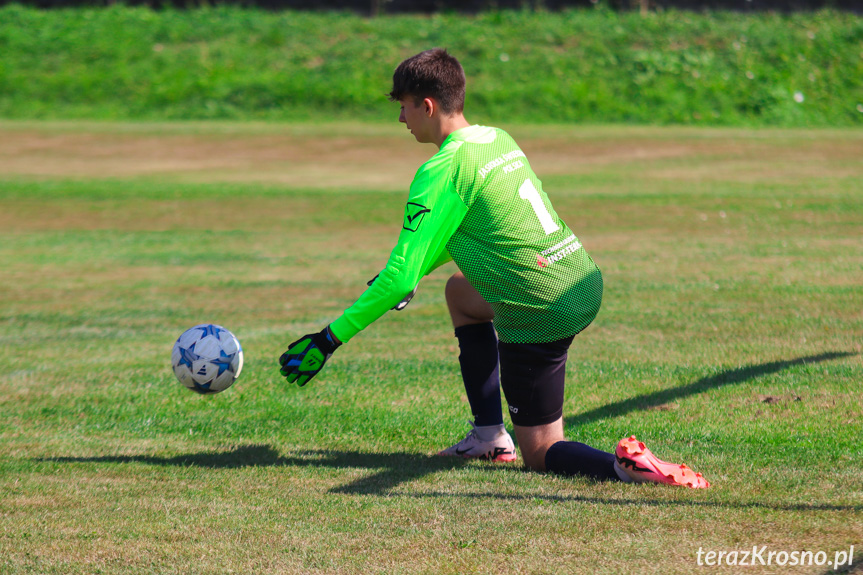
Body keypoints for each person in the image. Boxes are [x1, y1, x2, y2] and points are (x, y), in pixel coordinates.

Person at [280, 48, 709, 488]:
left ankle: (624, 468)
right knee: (461, 294)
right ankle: (488, 436)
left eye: (403, 107)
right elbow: (482, 231)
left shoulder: (442, 169)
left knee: (541, 452)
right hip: (579, 279)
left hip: (539, 304)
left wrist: (328, 339)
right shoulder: (496, 139)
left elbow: (398, 279)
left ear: (426, 106)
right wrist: (414, 273)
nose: (402, 119)